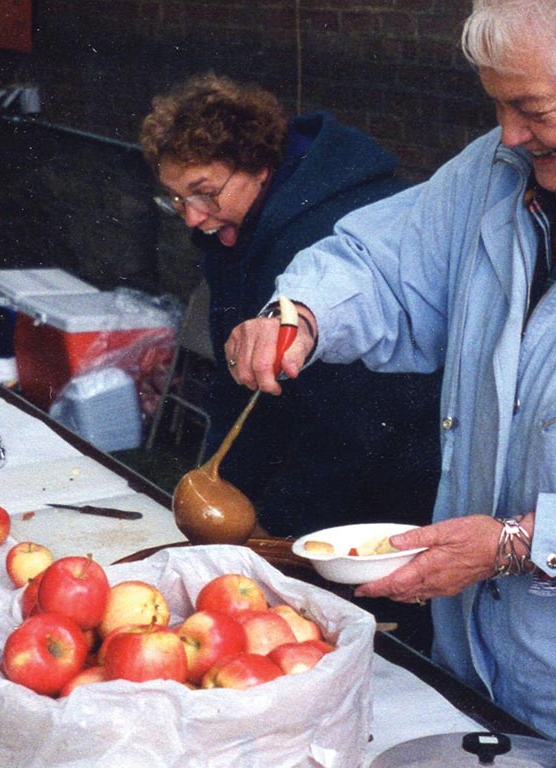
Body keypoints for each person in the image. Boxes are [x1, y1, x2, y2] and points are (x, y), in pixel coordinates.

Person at [224, 1, 556, 765]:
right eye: (497, 102)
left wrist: (515, 544)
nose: (506, 134)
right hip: (480, 673)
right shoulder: (499, 172)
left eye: (532, 108)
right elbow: (383, 267)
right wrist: (302, 313)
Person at [139, 72, 442, 585]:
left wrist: (275, 525)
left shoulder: (324, 234)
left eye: (205, 194)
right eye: (176, 199)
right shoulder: (233, 229)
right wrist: (226, 480)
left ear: (259, 166)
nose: (192, 218)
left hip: (380, 502)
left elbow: (352, 420)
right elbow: (241, 383)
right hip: (321, 472)